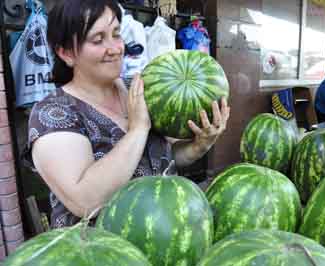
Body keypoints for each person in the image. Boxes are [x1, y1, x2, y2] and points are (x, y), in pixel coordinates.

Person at [24, 0, 230, 228]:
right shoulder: (53, 113)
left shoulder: (140, 88)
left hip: (166, 232)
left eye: (116, 34)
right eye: (98, 39)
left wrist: (198, 146)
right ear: (66, 53)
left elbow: (164, 158)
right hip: (103, 252)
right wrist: (138, 129)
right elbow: (85, 201)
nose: (115, 48)